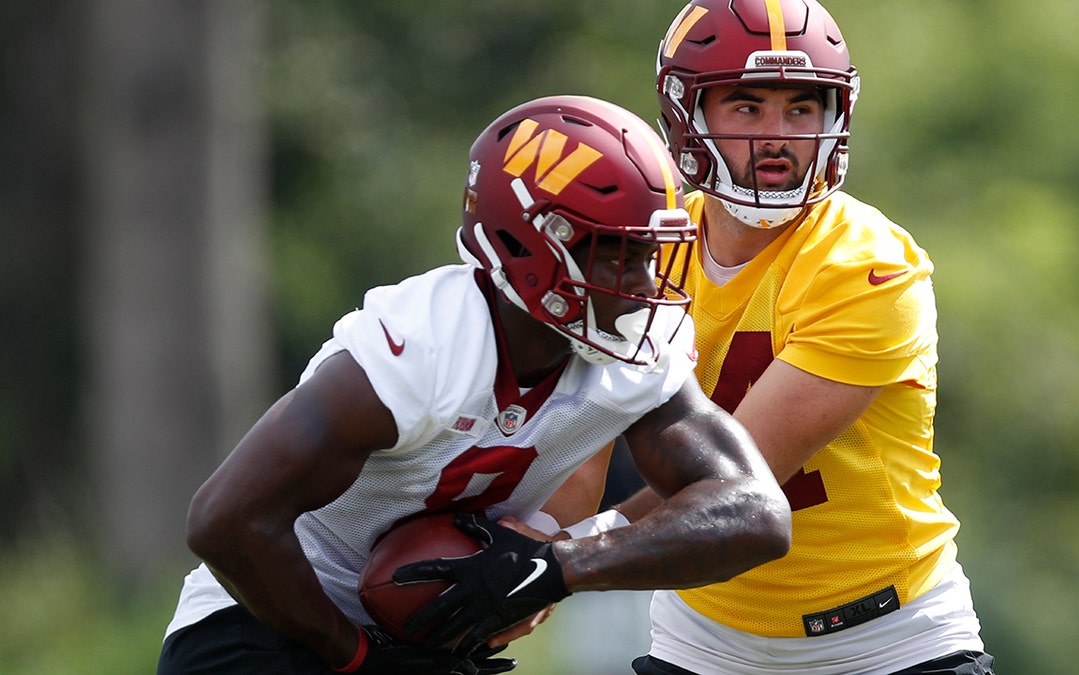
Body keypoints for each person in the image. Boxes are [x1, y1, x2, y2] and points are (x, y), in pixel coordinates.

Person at [155, 94, 792, 675]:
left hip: (422, 640)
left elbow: (755, 513)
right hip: (267, 626)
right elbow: (225, 521)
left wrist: (560, 566)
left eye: (651, 255)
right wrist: (356, 658)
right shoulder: (418, 347)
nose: (645, 284)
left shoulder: (636, 351)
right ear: (529, 244)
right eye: (617, 253)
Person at [543, 2, 996, 673]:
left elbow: (733, 485)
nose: (777, 136)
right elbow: (579, 450)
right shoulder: (644, 249)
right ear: (687, 115)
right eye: (747, 108)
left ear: (834, 117)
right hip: (703, 639)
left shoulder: (867, 264)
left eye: (802, 109)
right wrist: (525, 543)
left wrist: (560, 563)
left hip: (886, 639)